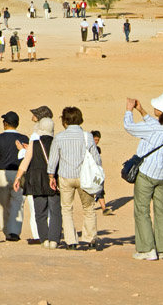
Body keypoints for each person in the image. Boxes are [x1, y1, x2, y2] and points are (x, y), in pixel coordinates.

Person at [124, 93, 163, 261]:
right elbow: (154, 125)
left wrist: (129, 111)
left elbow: (129, 127)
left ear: (162, 111)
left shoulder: (154, 128)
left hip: (147, 173)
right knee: (162, 211)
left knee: (142, 211)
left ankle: (147, 249)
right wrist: (142, 111)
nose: (154, 108)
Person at [47, 106, 102, 249]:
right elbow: (97, 159)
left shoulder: (59, 137)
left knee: (66, 209)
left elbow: (53, 160)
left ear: (65, 121)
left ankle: (71, 241)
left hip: (66, 176)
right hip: (85, 177)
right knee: (89, 208)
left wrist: (51, 176)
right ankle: (90, 239)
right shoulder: (87, 136)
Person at [13, 115, 60, 249]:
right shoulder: (57, 142)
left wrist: (17, 178)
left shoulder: (34, 143)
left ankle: (44, 239)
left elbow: (25, 162)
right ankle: (54, 239)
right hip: (54, 180)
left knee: (40, 212)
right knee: (55, 211)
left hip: (37, 181)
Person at [0, 111, 28, 241]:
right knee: (18, 203)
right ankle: (15, 232)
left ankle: (6, 231)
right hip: (20, 174)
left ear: (5, 124)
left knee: (3, 204)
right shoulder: (24, 138)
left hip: (3, 173)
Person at [90, 131, 108, 214]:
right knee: (89, 190)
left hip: (97, 172)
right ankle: (90, 207)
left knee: (100, 189)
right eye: (95, 139)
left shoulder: (98, 149)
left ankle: (104, 209)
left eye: (98, 140)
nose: (96, 142)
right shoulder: (86, 148)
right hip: (89, 172)